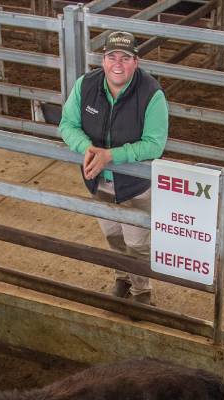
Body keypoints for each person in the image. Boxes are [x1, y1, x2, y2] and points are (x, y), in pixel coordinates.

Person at [58, 31, 169, 306]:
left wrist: (111, 155)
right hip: (98, 180)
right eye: (111, 57)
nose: (117, 63)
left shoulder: (151, 94)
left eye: (125, 57)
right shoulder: (86, 85)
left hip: (135, 184)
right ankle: (123, 276)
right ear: (103, 60)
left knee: (137, 242)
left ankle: (142, 292)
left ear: (136, 62)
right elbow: (67, 124)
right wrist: (87, 148)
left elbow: (154, 145)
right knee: (113, 234)